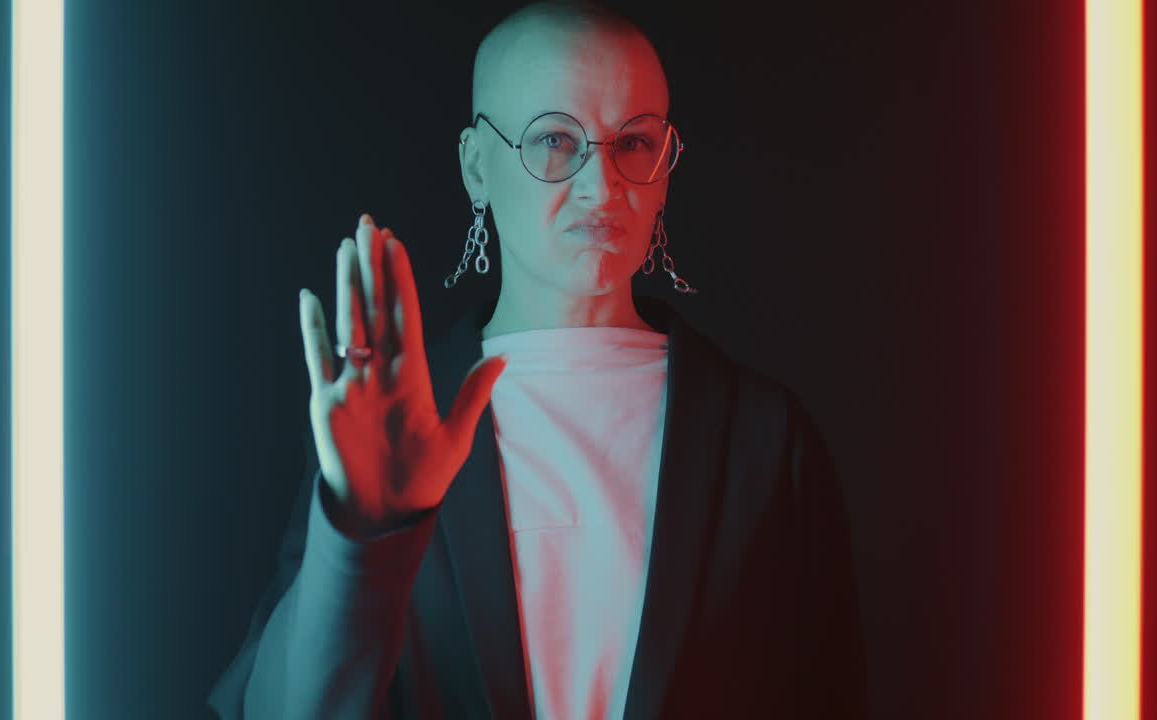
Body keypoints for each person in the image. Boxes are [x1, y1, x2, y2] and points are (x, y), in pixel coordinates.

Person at [207, 1, 868, 718]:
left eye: (635, 143)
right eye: (554, 139)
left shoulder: (766, 441)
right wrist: (359, 535)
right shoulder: (397, 426)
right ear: (476, 165)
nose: (601, 185)